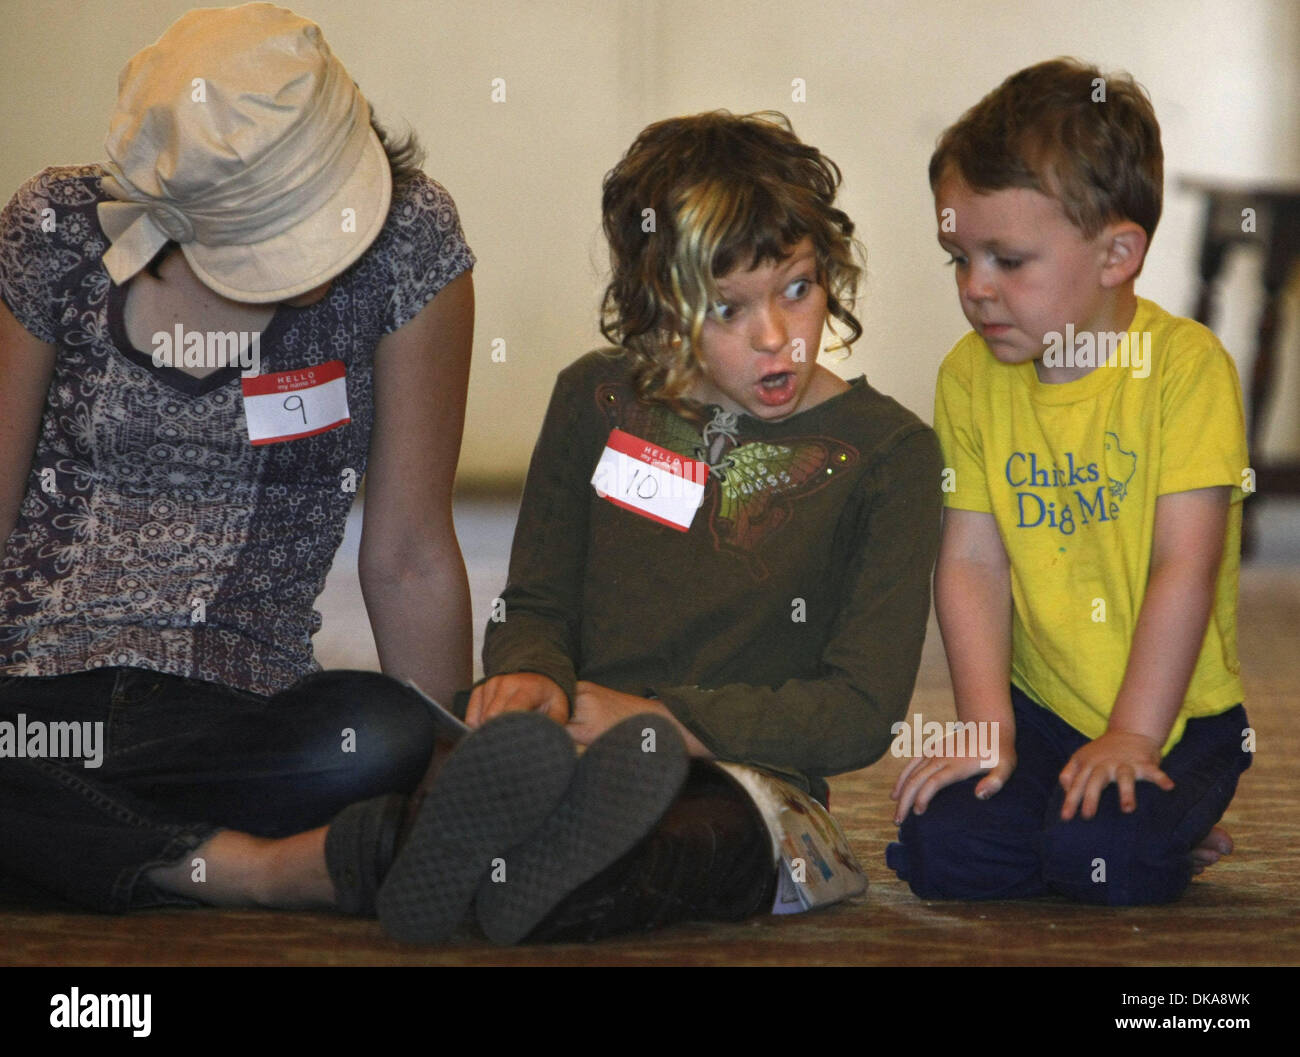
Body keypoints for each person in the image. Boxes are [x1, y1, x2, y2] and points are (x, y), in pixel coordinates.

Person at [0, 4, 477, 915]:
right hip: (36, 703)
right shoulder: (52, 233)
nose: (319, 262)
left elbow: (409, 552)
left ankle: (78, 839)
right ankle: (253, 867)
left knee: (384, 736)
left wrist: (453, 768)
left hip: (240, 717)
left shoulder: (412, 247)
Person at [440, 111, 942, 944]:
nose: (778, 338)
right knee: (405, 753)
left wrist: (664, 719)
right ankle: (462, 851)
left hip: (750, 783)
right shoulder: (597, 400)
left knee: (694, 844)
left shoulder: (888, 454)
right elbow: (533, 603)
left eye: (798, 287)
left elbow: (858, 709)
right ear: (658, 305)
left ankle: (521, 875)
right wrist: (529, 676)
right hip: (573, 745)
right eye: (727, 309)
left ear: (833, 272)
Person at [888, 59, 1253, 904]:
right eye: (959, 257)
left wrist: (1132, 733)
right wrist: (988, 727)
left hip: (1180, 717)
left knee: (1109, 861)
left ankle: (1160, 821)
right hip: (1045, 708)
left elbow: (1183, 568)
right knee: (941, 848)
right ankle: (1085, 824)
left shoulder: (1185, 371)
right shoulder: (968, 377)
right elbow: (971, 561)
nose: (976, 289)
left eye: (1008, 260)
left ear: (1118, 252)